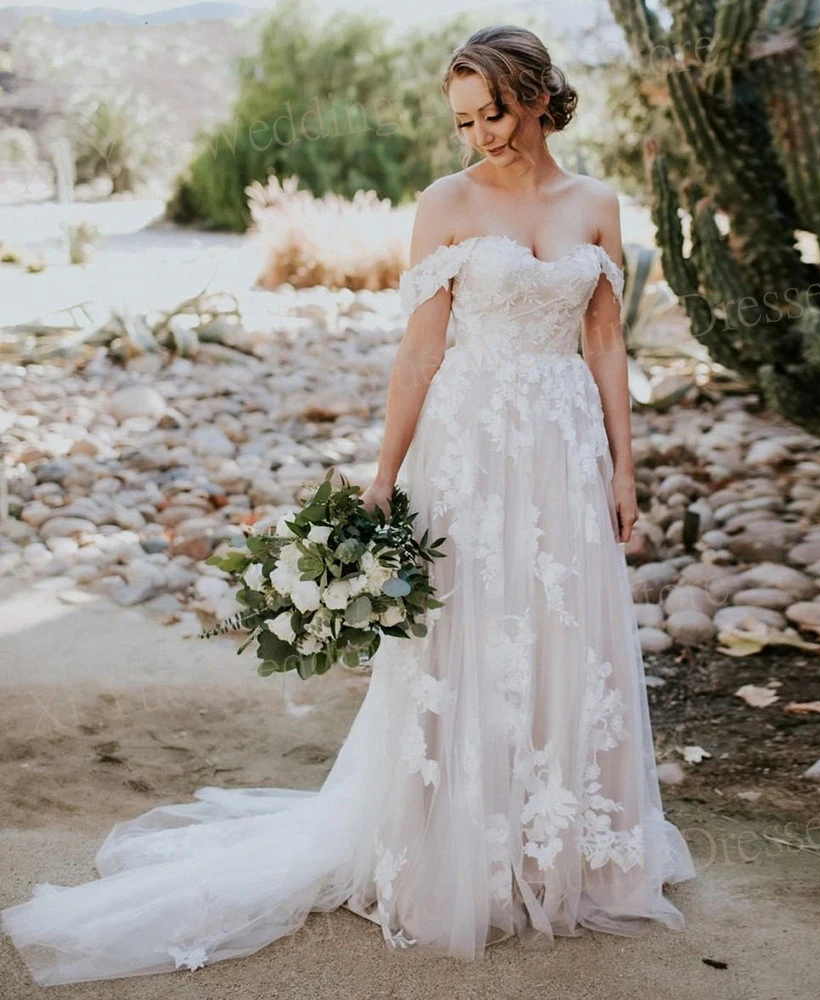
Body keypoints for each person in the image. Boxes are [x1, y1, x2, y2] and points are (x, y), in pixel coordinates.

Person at [0, 25, 696, 986]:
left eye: (492, 112)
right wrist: (382, 473)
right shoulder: (444, 204)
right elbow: (420, 350)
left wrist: (625, 469)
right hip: (467, 444)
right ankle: (454, 849)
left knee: (560, 626)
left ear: (537, 95)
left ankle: (564, 844)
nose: (479, 136)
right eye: (462, 120)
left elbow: (609, 343)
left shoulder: (597, 202)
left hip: (563, 443)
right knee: (459, 635)